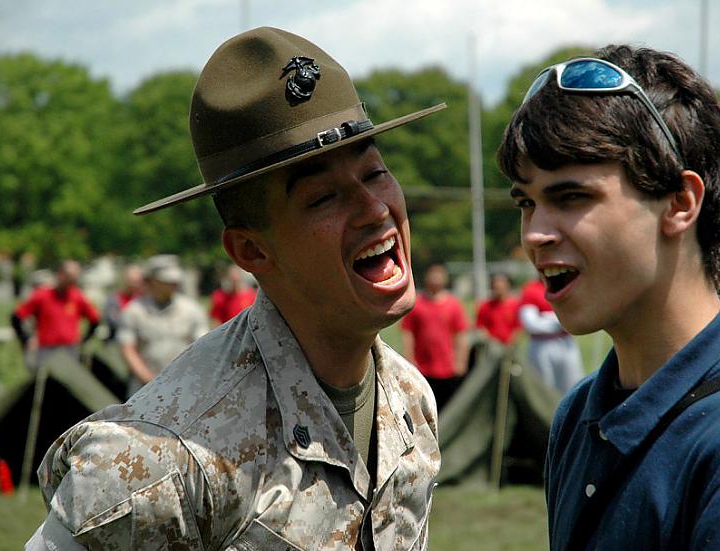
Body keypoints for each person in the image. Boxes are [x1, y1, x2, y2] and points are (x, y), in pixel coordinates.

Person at [27, 27, 444, 550]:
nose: (375, 208)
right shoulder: (160, 464)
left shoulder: (409, 400)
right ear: (251, 251)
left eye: (376, 172)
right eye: (322, 198)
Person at [498, 45, 720, 549]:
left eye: (571, 197)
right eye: (527, 203)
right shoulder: (577, 416)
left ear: (680, 203)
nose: (535, 233)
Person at [118, 255, 208, 397]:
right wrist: (149, 379)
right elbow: (128, 349)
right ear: (151, 281)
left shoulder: (191, 309)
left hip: (184, 386)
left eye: (174, 280)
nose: (173, 283)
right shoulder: (134, 311)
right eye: (166, 280)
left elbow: (204, 346)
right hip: (143, 389)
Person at [401, 263, 469, 409]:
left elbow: (461, 335)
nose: (436, 278)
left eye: (439, 274)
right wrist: (409, 359)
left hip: (448, 369)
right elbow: (408, 334)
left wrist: (461, 361)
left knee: (447, 407)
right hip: (422, 369)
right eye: (433, 274)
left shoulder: (454, 305)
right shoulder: (416, 304)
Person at [10, 259, 99, 369]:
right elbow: (16, 317)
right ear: (60, 274)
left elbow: (95, 319)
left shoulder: (77, 296)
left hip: (70, 349)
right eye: (70, 276)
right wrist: (26, 339)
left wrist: (85, 339)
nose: (73, 280)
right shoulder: (42, 296)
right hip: (47, 350)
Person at [518, 277, 584, 394]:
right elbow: (531, 323)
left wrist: (546, 317)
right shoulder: (531, 290)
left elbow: (578, 315)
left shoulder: (568, 285)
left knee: (573, 384)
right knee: (544, 387)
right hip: (542, 344)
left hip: (566, 342)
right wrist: (558, 321)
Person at [101, 263, 144, 341]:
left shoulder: (144, 299)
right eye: (131, 281)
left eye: (137, 282)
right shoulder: (113, 299)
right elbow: (112, 321)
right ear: (125, 280)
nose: (134, 285)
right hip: (118, 340)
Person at [475, 272, 520, 345]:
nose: (497, 288)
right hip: (492, 347)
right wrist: (491, 341)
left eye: (500, 286)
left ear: (508, 286)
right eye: (495, 287)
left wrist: (512, 341)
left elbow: (519, 328)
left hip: (511, 346)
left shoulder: (515, 306)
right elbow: (480, 326)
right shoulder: (485, 306)